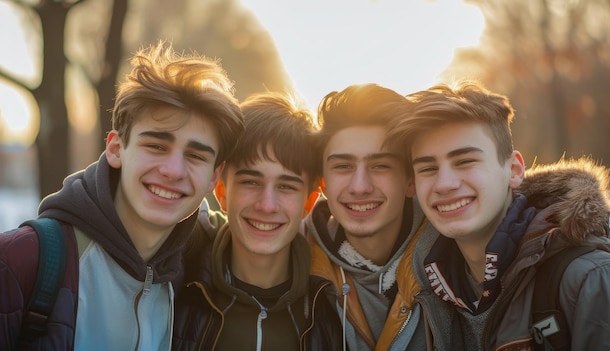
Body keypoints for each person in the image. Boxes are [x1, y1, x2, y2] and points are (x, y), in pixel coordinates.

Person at [0, 41, 245, 350]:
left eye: (195, 156)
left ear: (214, 176)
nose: (172, 170)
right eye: (156, 145)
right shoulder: (20, 261)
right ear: (116, 149)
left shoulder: (198, 273)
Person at [386, 79, 610, 350]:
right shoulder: (426, 294)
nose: (445, 184)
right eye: (428, 169)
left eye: (465, 162)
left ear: (513, 170)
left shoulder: (590, 280)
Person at [172, 92, 343, 350]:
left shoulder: (332, 306)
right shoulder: (178, 283)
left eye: (286, 187)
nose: (266, 205)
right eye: (250, 182)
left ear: (308, 203)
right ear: (222, 193)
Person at [303, 83, 456, 351]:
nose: (360, 186)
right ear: (322, 182)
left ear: (411, 181)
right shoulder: (295, 259)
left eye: (380, 165)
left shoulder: (456, 255)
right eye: (343, 166)